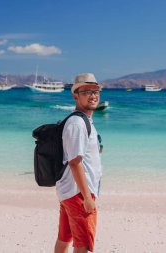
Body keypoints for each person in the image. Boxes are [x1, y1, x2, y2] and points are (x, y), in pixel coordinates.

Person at [54, 73, 103, 253]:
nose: (93, 95)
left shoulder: (84, 121)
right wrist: (87, 198)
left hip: (71, 192)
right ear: (76, 95)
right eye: (87, 92)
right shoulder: (77, 123)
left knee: (64, 237)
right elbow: (75, 163)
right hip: (78, 194)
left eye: (96, 91)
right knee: (82, 244)